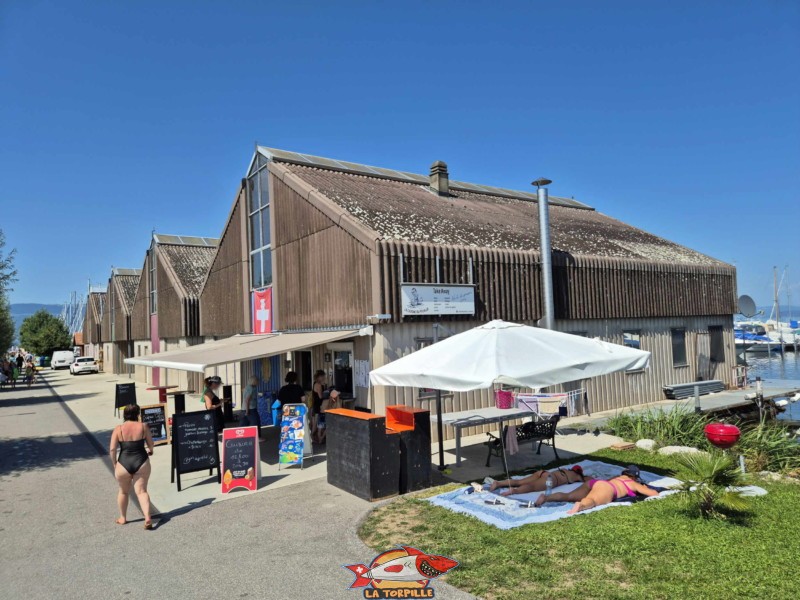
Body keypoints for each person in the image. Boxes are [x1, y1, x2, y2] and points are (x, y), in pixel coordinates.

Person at [534, 465, 659, 514]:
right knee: (592, 500)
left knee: (569, 496)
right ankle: (581, 505)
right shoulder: (633, 483)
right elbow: (653, 493)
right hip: (608, 488)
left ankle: (546, 497)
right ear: (634, 477)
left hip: (598, 483)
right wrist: (644, 487)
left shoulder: (618, 477)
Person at [109, 404, 155, 529]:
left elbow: (113, 449)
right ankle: (147, 518)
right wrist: (150, 450)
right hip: (141, 461)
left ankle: (123, 518)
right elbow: (151, 444)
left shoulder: (118, 429)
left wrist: (114, 463)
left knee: (123, 491)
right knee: (142, 491)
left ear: (124, 415)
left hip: (123, 463)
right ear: (137, 414)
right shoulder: (143, 426)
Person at [488, 465, 586, 496]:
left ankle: (498, 483)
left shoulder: (565, 469)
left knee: (520, 481)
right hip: (551, 480)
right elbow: (585, 480)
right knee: (532, 487)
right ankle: (514, 491)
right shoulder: (577, 476)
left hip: (544, 473)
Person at [311, 370, 326, 442]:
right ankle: (311, 438)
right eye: (323, 376)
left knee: (314, 423)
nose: (324, 378)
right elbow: (320, 396)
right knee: (316, 423)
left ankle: (313, 438)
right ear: (320, 377)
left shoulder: (314, 383)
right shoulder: (319, 385)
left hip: (315, 405)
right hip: (318, 406)